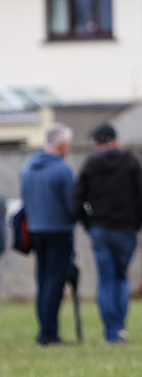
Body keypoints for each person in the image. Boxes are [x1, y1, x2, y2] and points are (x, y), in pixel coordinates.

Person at [73, 124, 142, 344]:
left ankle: (111, 331)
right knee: (121, 278)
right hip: (126, 230)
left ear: (97, 143)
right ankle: (120, 327)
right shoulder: (131, 163)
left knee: (106, 280)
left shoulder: (90, 165)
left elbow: (78, 200)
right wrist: (136, 225)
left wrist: (90, 224)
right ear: (115, 140)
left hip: (101, 230)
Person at [19, 123, 77, 346]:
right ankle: (49, 334)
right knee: (55, 282)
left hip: (36, 230)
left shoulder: (28, 167)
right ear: (62, 144)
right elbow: (71, 206)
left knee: (43, 280)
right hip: (59, 231)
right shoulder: (63, 170)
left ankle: (44, 329)